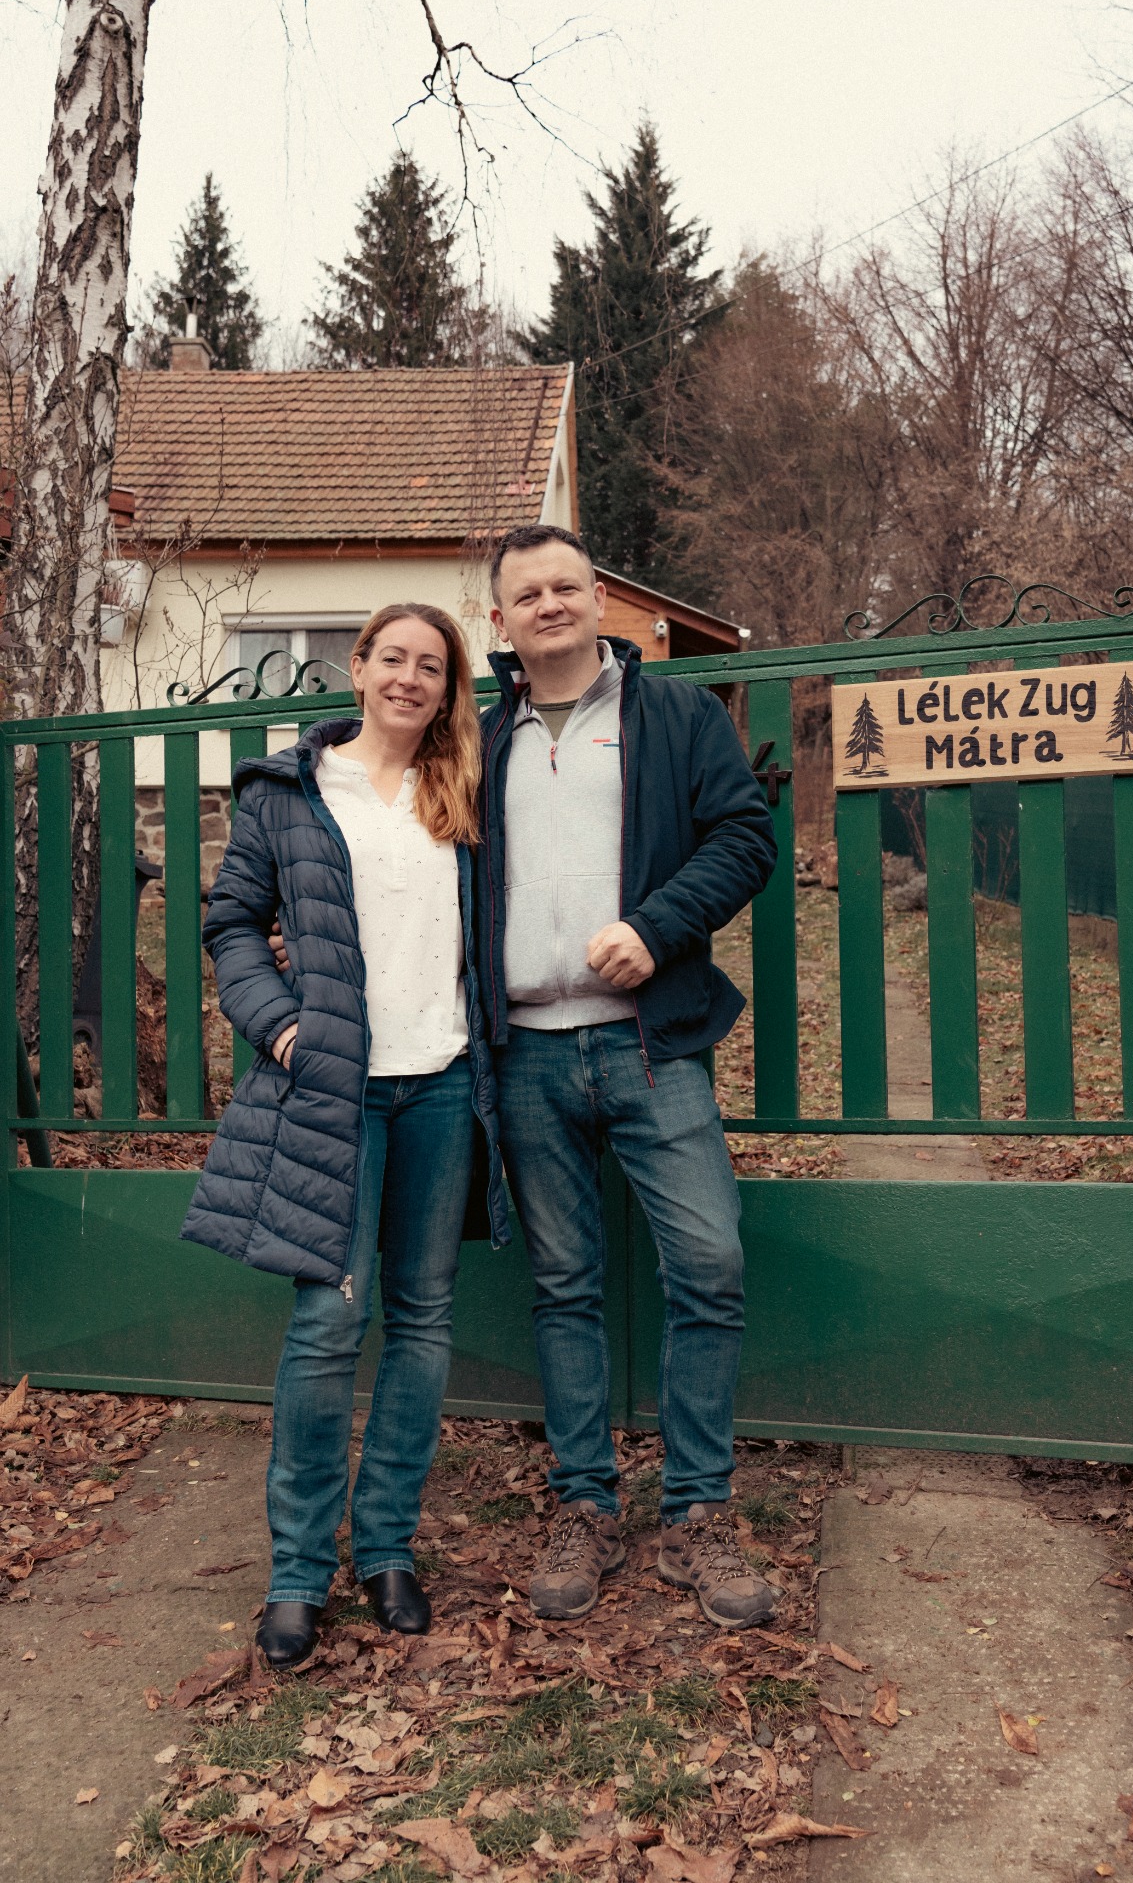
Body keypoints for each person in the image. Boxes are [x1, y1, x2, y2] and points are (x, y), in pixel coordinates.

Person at [182, 603, 507, 1670]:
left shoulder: (467, 788)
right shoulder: (288, 793)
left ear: (449, 688)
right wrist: (280, 1026)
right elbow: (231, 923)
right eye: (392, 658)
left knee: (421, 1320)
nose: (410, 678)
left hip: (443, 1088)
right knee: (328, 1323)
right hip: (336, 1092)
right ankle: (295, 1573)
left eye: (432, 666)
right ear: (357, 669)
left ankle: (387, 1550)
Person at [478, 523, 779, 1630]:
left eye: (566, 586)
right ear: (500, 621)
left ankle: (697, 1511)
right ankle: (585, 1505)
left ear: (599, 599)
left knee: (708, 1262)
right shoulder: (478, 739)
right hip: (524, 1053)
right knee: (564, 1283)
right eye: (527, 595)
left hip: (649, 1044)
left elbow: (743, 839)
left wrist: (655, 928)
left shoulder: (677, 717)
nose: (549, 605)